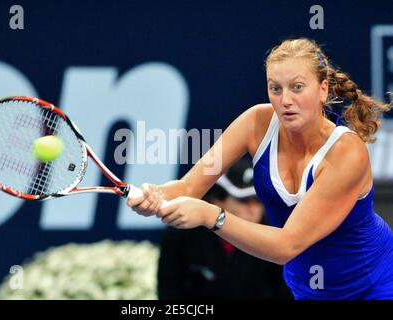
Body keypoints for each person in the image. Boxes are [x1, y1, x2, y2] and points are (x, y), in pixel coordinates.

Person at [128, 38, 393, 300]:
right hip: (307, 289)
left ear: (323, 89)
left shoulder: (346, 153)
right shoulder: (255, 122)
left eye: (297, 87)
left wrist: (212, 216)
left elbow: (287, 245)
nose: (285, 100)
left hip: (375, 285)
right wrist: (155, 194)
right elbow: (188, 187)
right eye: (275, 88)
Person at [157, 158, 293, 299]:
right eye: (244, 200)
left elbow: (283, 294)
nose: (253, 210)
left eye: (258, 201)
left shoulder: (274, 234)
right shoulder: (181, 233)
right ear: (217, 199)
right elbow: (168, 293)